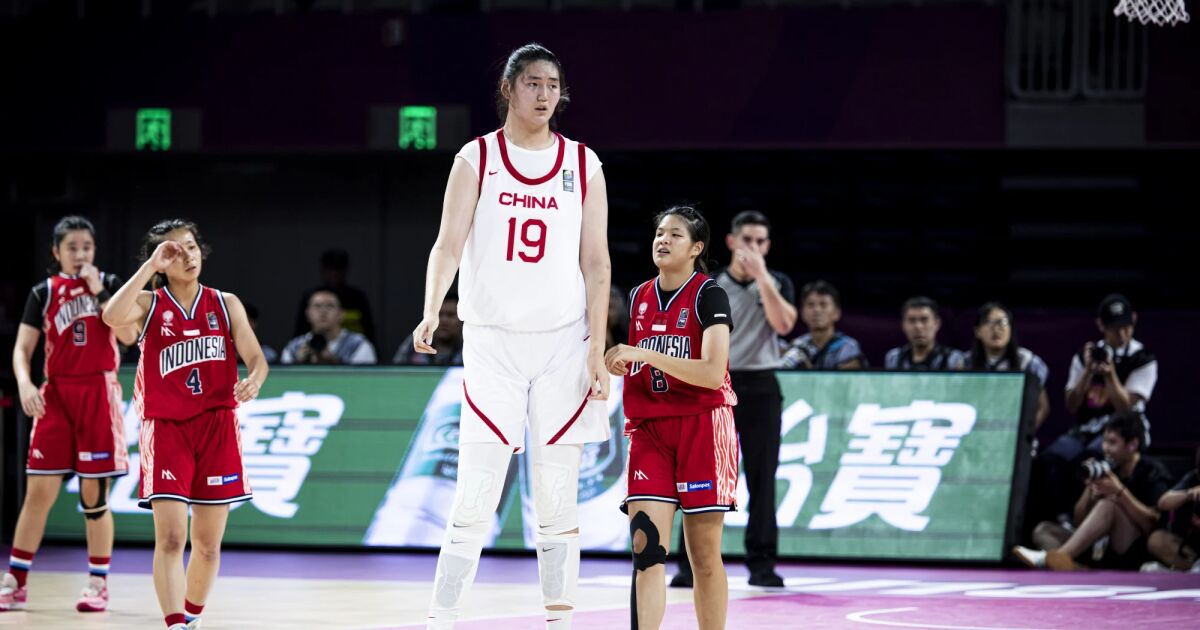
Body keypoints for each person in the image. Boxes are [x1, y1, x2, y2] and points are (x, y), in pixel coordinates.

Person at [412, 43, 612, 630]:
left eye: (553, 84)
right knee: (475, 490)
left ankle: (560, 618)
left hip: (563, 345)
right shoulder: (476, 157)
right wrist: (431, 309)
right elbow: (447, 244)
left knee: (557, 493)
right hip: (492, 344)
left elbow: (597, 262)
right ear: (508, 89)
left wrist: (597, 347)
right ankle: (443, 615)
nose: (544, 94)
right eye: (532, 83)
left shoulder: (584, 163)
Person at [102, 219, 269, 630]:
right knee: (173, 538)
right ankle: (174, 623)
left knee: (208, 546)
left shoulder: (225, 303)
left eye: (191, 247)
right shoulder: (148, 303)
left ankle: (191, 618)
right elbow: (110, 315)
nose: (188, 256)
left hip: (217, 427)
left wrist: (254, 381)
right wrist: (149, 268)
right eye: (174, 251)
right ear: (161, 261)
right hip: (167, 428)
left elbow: (256, 358)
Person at [606, 205, 738, 630]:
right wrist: (620, 363)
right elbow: (639, 362)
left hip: (703, 425)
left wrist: (643, 353)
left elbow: (712, 373)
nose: (663, 240)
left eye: (675, 235)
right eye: (660, 233)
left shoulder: (709, 295)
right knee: (646, 549)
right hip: (650, 429)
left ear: (697, 248)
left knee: (703, 555)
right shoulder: (638, 296)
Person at [2, 216, 135, 613]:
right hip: (57, 394)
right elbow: (22, 349)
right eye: (72, 248)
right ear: (56, 252)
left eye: (87, 247)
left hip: (98, 392)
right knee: (38, 493)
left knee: (95, 497)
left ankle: (98, 583)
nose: (80, 254)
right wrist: (25, 384)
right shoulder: (43, 292)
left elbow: (129, 336)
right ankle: (16, 580)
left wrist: (101, 293)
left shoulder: (110, 284)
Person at [672, 210, 795, 589]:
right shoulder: (710, 285)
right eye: (747, 240)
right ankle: (689, 565)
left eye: (760, 241)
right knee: (700, 476)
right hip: (715, 383)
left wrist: (762, 277)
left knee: (762, 477)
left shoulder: (777, 283)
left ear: (768, 246)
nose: (753, 247)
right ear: (730, 241)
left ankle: (762, 564)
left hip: (760, 385)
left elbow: (785, 325)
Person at [1014, 411, 1171, 571]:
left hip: (1132, 549)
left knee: (1108, 505)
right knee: (1043, 530)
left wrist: (1120, 492)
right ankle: (1077, 568)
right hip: (1099, 549)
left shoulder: (1152, 472)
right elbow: (1079, 521)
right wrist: (1089, 491)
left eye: (1112, 442)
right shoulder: (1107, 469)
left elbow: (1152, 523)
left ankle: (1057, 557)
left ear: (1132, 445)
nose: (1105, 448)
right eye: (1104, 441)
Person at [962, 302, 1050, 428]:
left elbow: (1042, 407)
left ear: (1011, 328)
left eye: (1002, 322)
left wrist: (1025, 433)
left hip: (1013, 430)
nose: (996, 329)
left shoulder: (1028, 361)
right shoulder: (965, 363)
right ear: (977, 331)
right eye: (988, 322)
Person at [293, 248, 376, 343]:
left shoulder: (358, 297)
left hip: (352, 348)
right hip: (316, 347)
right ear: (322, 270)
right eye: (318, 306)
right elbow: (300, 331)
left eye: (338, 269)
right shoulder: (311, 296)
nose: (334, 273)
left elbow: (369, 331)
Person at [781, 280, 866, 369]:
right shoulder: (797, 345)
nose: (816, 310)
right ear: (802, 313)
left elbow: (846, 377)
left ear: (836, 313)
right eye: (810, 305)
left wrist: (807, 372)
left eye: (823, 305)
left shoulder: (848, 347)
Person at [282, 288, 377, 365]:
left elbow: (365, 380)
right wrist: (297, 364)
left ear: (341, 314)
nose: (323, 312)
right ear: (307, 313)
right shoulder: (293, 348)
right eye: (317, 306)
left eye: (330, 306)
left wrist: (335, 364)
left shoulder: (358, 345)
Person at [883, 296, 965, 371]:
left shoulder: (953, 359)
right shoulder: (894, 358)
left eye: (924, 320)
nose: (918, 327)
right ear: (903, 325)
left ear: (937, 323)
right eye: (912, 320)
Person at [394, 294, 463, 365]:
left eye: (450, 315)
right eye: (438, 314)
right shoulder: (415, 341)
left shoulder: (468, 344)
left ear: (462, 319)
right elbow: (397, 369)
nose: (443, 320)